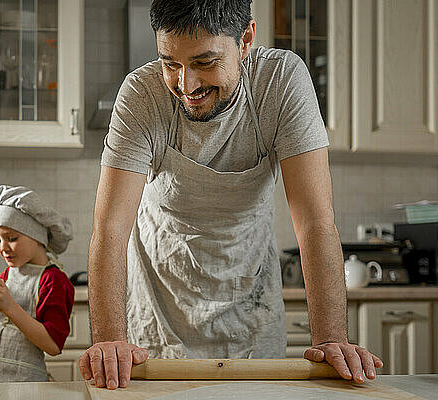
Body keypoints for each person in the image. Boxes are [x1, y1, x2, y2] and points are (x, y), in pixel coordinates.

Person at [79, 0, 383, 390]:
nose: (185, 86)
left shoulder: (281, 82)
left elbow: (315, 222)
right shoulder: (143, 94)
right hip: (157, 318)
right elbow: (110, 228)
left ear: (246, 40)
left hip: (250, 312)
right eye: (170, 63)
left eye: (205, 62)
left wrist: (331, 339)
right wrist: (108, 340)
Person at [0, 184, 75, 382]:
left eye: (12, 238)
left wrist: (9, 307)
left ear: (37, 236)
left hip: (27, 384)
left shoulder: (53, 280)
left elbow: (53, 346)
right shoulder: (9, 274)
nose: (3, 248)